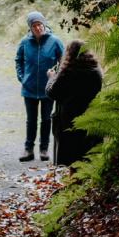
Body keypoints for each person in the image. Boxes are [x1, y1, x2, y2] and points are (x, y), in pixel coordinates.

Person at [45, 40, 103, 170]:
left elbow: (52, 92)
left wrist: (51, 78)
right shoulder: (96, 70)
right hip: (91, 116)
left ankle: (75, 185)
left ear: (69, 54)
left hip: (69, 119)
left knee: (73, 155)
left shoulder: (68, 72)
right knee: (88, 154)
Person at [15, 11, 64, 162]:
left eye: (39, 25)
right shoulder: (24, 42)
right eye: (34, 25)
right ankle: (28, 149)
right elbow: (18, 60)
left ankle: (44, 149)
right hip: (29, 88)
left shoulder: (55, 41)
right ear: (30, 27)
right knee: (31, 120)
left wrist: (57, 78)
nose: (38, 28)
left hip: (48, 88)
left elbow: (63, 61)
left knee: (46, 119)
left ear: (44, 24)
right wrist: (22, 77)